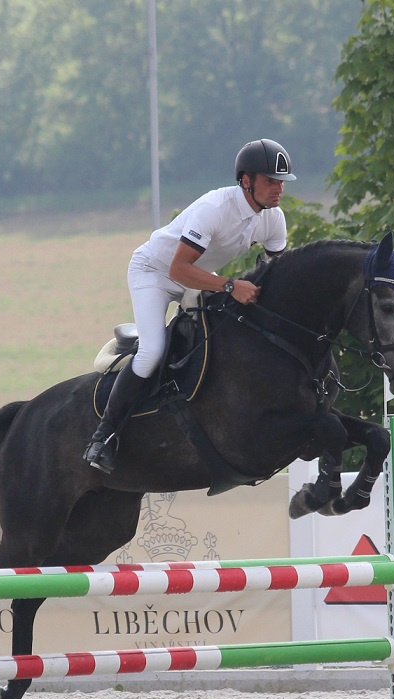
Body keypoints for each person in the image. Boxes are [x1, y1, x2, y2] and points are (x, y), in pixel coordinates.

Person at [83, 138, 297, 473]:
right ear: (246, 181)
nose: (278, 189)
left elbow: (277, 275)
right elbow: (178, 269)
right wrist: (230, 285)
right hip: (155, 272)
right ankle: (103, 437)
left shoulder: (274, 219)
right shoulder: (214, 208)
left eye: (281, 182)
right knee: (152, 351)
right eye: (270, 181)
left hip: (198, 276)